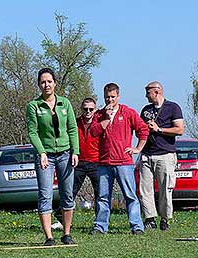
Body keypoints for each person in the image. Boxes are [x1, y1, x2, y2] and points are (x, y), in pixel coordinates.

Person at [26, 67, 79, 246]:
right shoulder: (33, 106)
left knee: (67, 194)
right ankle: (49, 237)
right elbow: (33, 132)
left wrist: (75, 151)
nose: (46, 84)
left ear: (55, 83)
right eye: (43, 82)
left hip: (65, 154)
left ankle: (67, 233)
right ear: (39, 85)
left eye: (49, 81)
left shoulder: (65, 103)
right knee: (45, 194)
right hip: (45, 156)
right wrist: (41, 152)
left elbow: (72, 129)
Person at [89, 83, 148, 234]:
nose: (110, 100)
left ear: (118, 96)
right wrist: (106, 120)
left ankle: (136, 227)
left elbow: (143, 129)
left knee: (130, 196)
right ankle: (100, 226)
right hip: (104, 163)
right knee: (102, 197)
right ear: (104, 97)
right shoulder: (99, 114)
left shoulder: (128, 112)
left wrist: (137, 148)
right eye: (107, 97)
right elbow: (93, 132)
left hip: (124, 163)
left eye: (113, 97)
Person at [139, 81, 184, 231]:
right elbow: (140, 130)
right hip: (146, 154)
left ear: (156, 92)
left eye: (148, 93)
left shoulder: (173, 108)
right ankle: (149, 218)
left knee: (165, 189)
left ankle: (165, 219)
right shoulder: (145, 110)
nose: (146, 96)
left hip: (165, 155)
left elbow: (179, 130)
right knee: (145, 188)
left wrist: (159, 130)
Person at [52, 97, 100, 230]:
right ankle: (62, 218)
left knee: (100, 193)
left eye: (91, 109)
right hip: (78, 161)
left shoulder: (99, 123)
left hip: (96, 162)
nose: (88, 111)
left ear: (95, 110)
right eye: (85, 109)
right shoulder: (75, 122)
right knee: (69, 191)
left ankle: (99, 222)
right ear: (81, 109)